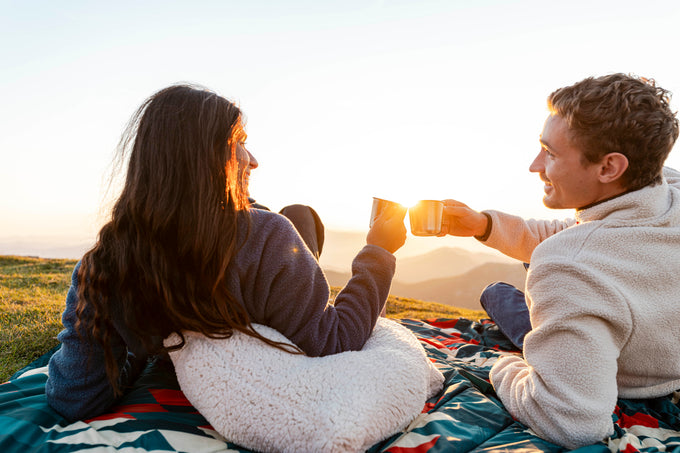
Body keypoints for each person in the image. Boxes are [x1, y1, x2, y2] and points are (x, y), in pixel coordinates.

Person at [45, 84, 407, 422]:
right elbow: (336, 341)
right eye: (240, 143)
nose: (253, 160)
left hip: (241, 255)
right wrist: (379, 251)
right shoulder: (270, 238)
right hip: (265, 261)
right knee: (298, 216)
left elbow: (74, 397)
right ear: (205, 158)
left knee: (296, 214)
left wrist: (140, 352)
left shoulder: (105, 263)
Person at [437, 73, 680, 449]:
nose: (536, 166)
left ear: (608, 168)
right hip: (662, 346)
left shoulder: (568, 266)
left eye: (550, 153)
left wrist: (504, 368)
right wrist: (484, 225)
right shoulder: (666, 188)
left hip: (621, 370)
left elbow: (571, 423)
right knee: (505, 294)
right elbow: (585, 236)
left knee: (497, 295)